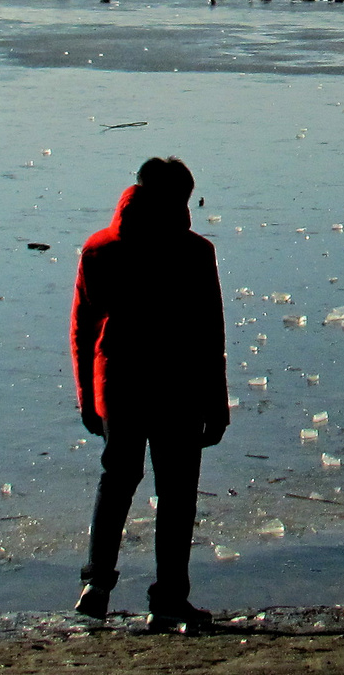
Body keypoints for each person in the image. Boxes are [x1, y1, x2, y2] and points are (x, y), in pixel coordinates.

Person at [68, 156, 229, 633]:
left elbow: (83, 331)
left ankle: (97, 585)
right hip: (177, 388)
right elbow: (209, 335)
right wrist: (216, 407)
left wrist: (87, 398)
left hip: (119, 386)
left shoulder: (100, 249)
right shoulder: (194, 252)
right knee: (176, 495)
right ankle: (169, 601)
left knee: (116, 480)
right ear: (180, 198)